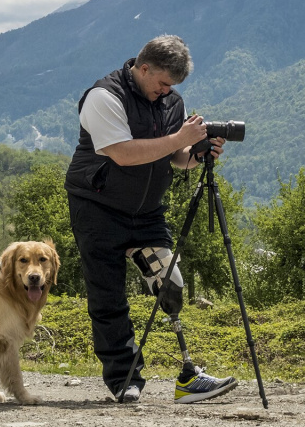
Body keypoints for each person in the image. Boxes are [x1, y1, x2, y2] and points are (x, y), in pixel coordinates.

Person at [65, 34, 238, 404]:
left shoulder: (171, 101)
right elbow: (123, 154)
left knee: (170, 284)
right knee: (109, 296)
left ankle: (188, 378)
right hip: (97, 207)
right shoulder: (104, 97)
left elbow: (177, 157)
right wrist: (178, 138)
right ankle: (125, 381)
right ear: (143, 68)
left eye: (172, 86)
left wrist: (198, 153)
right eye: (163, 83)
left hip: (146, 211)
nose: (167, 91)